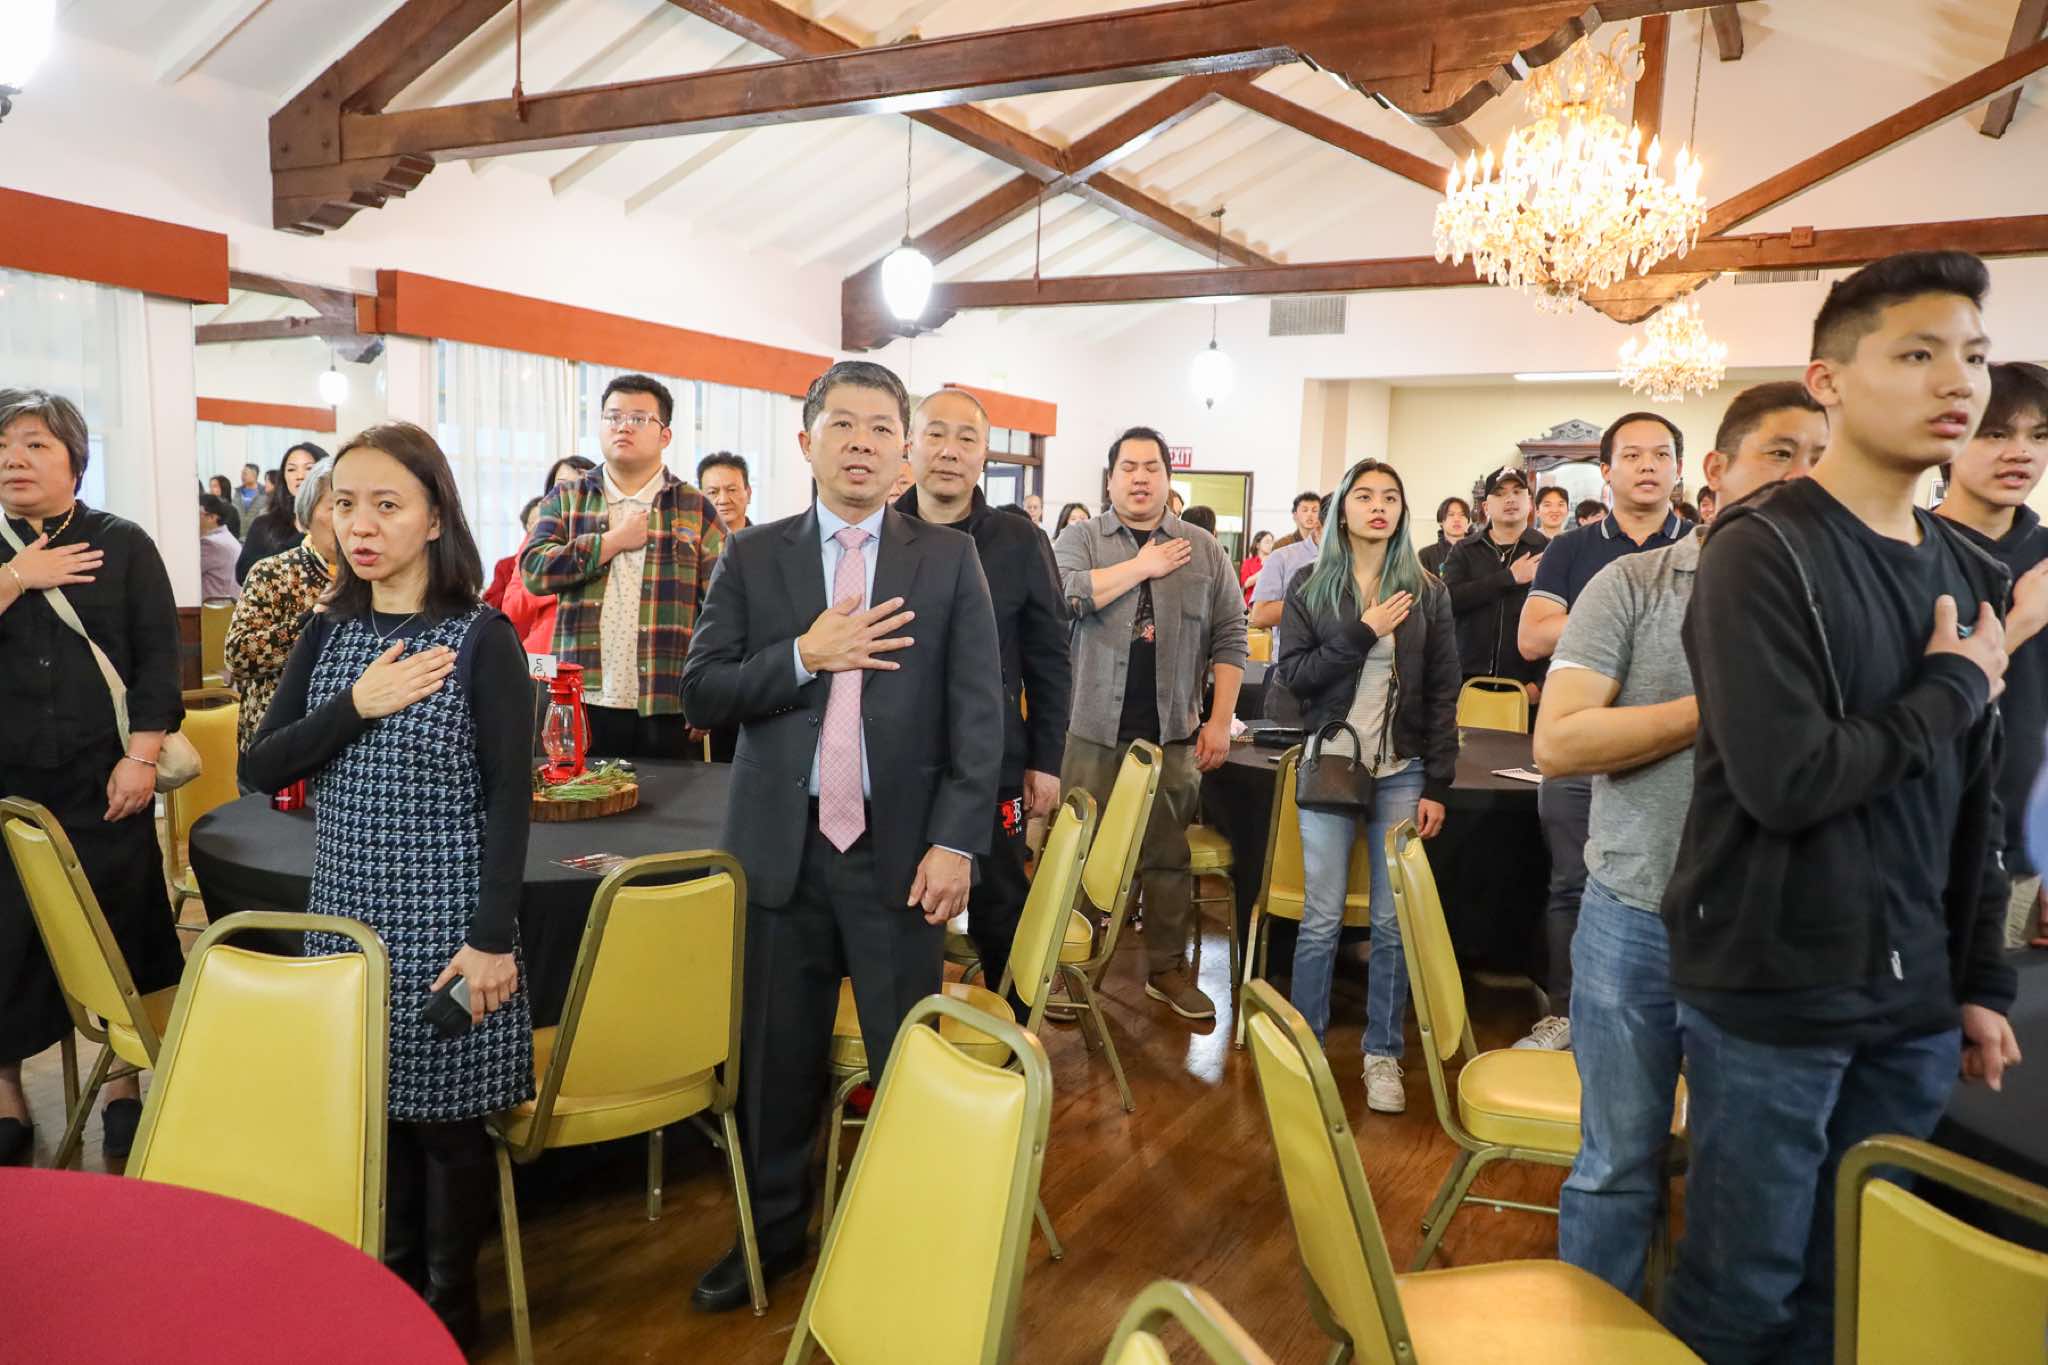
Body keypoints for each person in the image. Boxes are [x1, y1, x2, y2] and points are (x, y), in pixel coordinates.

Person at [1657, 251, 2022, 1363]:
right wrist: (1951, 689)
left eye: (1971, 357)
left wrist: (1977, 979)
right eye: (1915, 355)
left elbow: (1975, 798)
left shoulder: (1969, 566)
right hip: (1774, 986)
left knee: (1851, 1291)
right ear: (1828, 381)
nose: (1955, 383)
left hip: (1912, 1000)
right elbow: (1788, 779)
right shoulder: (1760, 549)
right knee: (1742, 1291)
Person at [681, 360, 1002, 1311]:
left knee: (908, 1058)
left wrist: (958, 841)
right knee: (775, 1062)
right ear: (807, 441)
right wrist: (800, 655)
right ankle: (772, 1236)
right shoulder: (754, 555)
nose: (861, 443)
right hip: (779, 852)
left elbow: (979, 712)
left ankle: (902, 1237)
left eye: (880, 428)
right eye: (842, 425)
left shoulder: (948, 559)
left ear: (904, 451)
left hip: (900, 857)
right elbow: (701, 691)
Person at [1533, 380, 1828, 1300]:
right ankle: (1598, 1340)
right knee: (1615, 1163)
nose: (1802, 477)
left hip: (1775, 930)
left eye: (1821, 459)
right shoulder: (1634, 584)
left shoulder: (1847, 596)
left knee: (1749, 1183)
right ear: (1718, 470)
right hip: (1635, 917)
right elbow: (1560, 741)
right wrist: (1719, 707)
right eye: (1780, 453)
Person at [240, 422, 532, 1347]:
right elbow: (260, 764)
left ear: (435, 516)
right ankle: (390, 1301)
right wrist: (357, 703)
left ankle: (450, 1314)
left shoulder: (482, 638)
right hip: (345, 920)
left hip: (447, 921)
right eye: (346, 504)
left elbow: (511, 801)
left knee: (447, 1128)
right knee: (372, 1117)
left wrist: (491, 939)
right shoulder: (329, 627)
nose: (360, 525)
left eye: (387, 504)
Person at [0, 389, 186, 1166]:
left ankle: (123, 1083)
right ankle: (6, 1095)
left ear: (75, 459)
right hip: (6, 787)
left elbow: (158, 658)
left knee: (123, 931)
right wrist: (19, 574)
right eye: (3, 445)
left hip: (106, 779)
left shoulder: (123, 543)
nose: (14, 458)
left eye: (35, 443)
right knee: (5, 940)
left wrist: (140, 757)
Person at [1271, 459, 1458, 1115]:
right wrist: (1364, 630)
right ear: (1342, 510)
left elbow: (1444, 692)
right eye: (1365, 496)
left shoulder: (1428, 591)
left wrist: (1439, 780)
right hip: (1330, 762)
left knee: (1390, 922)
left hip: (1403, 770)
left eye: (1391, 497)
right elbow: (1294, 677)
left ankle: (1383, 1055)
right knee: (1321, 918)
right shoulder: (1310, 585)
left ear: (1403, 511)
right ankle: (1306, 1051)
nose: (1378, 506)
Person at [1055, 427, 1247, 1021]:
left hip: (1172, 737)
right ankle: (1068, 968)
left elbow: (1231, 635)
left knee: (1167, 858)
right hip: (1092, 731)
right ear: (1111, 478)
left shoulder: (1203, 549)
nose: (1140, 478)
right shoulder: (1081, 538)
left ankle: (1166, 969)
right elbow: (1065, 594)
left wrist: (1219, 722)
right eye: (1128, 467)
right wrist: (1141, 566)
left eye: (1152, 467)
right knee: (1078, 854)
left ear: (1168, 477)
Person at [1515, 412, 1691, 1052]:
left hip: (1673, 753)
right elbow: (1532, 637)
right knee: (1570, 884)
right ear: (1607, 470)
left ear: (1680, 470)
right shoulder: (1571, 549)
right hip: (1580, 747)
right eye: (1633, 455)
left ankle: (1671, 1028)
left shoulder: (1701, 549)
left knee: (1674, 889)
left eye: (1661, 455)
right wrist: (1623, 608)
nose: (1648, 466)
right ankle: (1566, 1014)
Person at [897, 387, 1071, 1010]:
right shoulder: (881, 534)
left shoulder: (1019, 541)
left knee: (1001, 907)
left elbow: (1050, 659)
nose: (949, 451)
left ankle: (1013, 1039)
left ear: (984, 454)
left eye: (966, 438)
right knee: (901, 910)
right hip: (897, 765)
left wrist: (1045, 760)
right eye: (935, 435)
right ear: (910, 446)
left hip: (994, 764)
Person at [522, 375, 724, 760]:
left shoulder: (694, 506)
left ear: (665, 435)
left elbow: (722, 609)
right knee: (586, 796)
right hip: (583, 698)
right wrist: (610, 542)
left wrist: (708, 691)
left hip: (668, 700)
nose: (623, 427)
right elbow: (533, 570)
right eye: (613, 417)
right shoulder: (568, 498)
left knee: (670, 799)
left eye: (638, 418)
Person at [1935, 360, 2048, 948]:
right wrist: (2021, 622)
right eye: (1997, 433)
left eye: (2039, 436)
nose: (2020, 452)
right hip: (1915, 844)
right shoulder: (1906, 548)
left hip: (2023, 851)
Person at [225, 456, 338, 751]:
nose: (351, 521)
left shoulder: (376, 578)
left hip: (342, 745)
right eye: (339, 505)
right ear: (307, 516)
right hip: (275, 744)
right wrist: (312, 619)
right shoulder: (273, 572)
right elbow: (238, 656)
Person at [1440, 467, 1548, 694]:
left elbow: (1565, 618)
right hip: (1467, 682)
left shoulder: (1549, 550)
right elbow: (1448, 601)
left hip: (1527, 686)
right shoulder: (1464, 550)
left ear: (1529, 502)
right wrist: (1509, 577)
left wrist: (1542, 682)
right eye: (1500, 493)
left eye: (1517, 492)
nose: (1510, 499)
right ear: (1486, 506)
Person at [237, 443, 326, 583]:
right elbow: (243, 575)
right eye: (291, 469)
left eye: (309, 468)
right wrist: (301, 538)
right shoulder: (264, 525)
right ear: (284, 477)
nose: (300, 476)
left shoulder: (338, 524)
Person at [1251, 491, 1327, 639]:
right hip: (1291, 644)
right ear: (1295, 515)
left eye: (1314, 510)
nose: (1310, 515)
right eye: (1305, 510)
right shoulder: (1282, 552)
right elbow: (1260, 615)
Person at [499, 497, 558, 653]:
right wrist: (557, 586)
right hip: (542, 651)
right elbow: (510, 607)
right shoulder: (528, 552)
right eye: (533, 523)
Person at [698, 451, 754, 534]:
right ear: (700, 499)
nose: (723, 500)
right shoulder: (688, 540)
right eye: (713, 492)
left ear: (748, 494)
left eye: (732, 490)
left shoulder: (768, 541)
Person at [199, 493, 242, 600]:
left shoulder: (211, 544)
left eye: (198, 514)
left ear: (212, 517)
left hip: (216, 607)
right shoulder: (226, 537)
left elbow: (187, 571)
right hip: (228, 604)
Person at [1419, 496, 1472, 576]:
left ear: (1467, 521)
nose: (1457, 519)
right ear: (1441, 521)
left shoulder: (1480, 552)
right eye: (1451, 514)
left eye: (1462, 515)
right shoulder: (1426, 555)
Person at [1240, 529, 1274, 603]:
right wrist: (1266, 568)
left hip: (1270, 603)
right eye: (1267, 542)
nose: (1270, 545)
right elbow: (1245, 584)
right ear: (1257, 545)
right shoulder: (1248, 562)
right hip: (1251, 603)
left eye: (1271, 542)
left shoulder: (1275, 562)